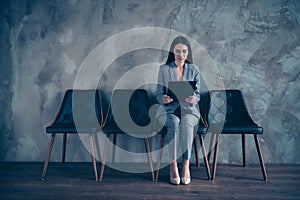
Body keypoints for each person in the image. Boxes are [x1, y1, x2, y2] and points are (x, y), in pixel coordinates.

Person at [156, 36, 201, 185]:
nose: (181, 55)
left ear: (188, 53)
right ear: (172, 52)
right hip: (170, 110)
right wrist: (163, 99)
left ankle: (186, 165)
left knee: (187, 122)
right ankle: (173, 164)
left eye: (184, 51)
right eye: (177, 51)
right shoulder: (164, 69)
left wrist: (194, 99)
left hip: (189, 110)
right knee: (174, 123)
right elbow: (158, 93)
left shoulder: (194, 70)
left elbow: (198, 94)